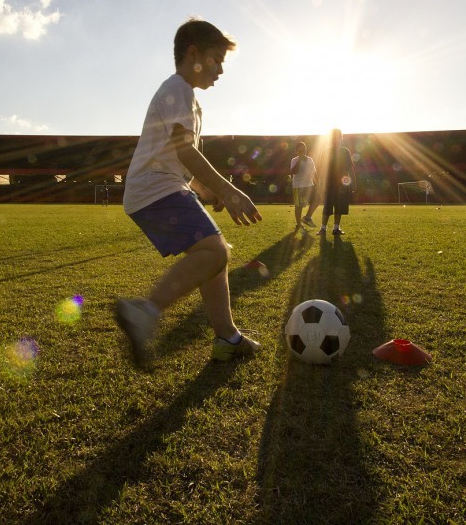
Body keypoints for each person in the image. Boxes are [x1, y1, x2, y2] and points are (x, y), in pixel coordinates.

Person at [116, 19, 262, 367]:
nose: (221, 70)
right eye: (216, 59)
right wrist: (226, 192)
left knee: (216, 251)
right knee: (214, 252)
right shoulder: (178, 89)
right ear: (193, 54)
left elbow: (177, 161)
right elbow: (185, 151)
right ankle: (144, 311)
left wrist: (204, 191)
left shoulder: (190, 100)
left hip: (161, 188)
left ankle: (228, 338)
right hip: (154, 190)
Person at [318, 128, 355, 236]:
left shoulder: (345, 151)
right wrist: (321, 183)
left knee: (340, 206)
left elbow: (350, 168)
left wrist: (354, 182)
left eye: (338, 137)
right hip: (329, 184)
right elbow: (321, 169)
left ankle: (336, 228)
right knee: (327, 206)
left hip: (342, 184)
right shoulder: (326, 151)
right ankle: (323, 228)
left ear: (341, 138)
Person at [290, 141, 318, 230]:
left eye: (304, 150)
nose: (302, 152)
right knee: (299, 206)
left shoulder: (310, 159)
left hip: (309, 185)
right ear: (296, 151)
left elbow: (314, 172)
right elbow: (294, 172)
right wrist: (299, 160)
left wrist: (318, 183)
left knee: (318, 199)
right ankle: (299, 224)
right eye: (300, 150)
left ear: (306, 150)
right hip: (298, 186)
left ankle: (307, 217)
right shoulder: (294, 160)